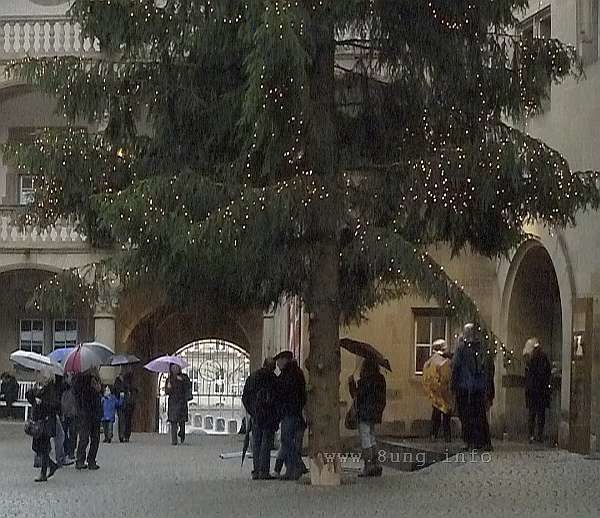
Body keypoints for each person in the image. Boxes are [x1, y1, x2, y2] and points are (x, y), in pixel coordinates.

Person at [451, 324, 494, 451]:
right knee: (480, 415)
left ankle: (470, 441)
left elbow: (455, 367)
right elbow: (489, 368)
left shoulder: (462, 348)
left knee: (466, 415)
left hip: (465, 387)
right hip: (479, 387)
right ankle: (483, 442)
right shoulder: (482, 349)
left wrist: (453, 386)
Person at [348, 358, 387, 477]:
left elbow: (356, 395)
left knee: (365, 439)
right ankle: (377, 464)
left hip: (364, 412)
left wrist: (351, 383)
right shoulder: (381, 379)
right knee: (372, 437)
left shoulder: (364, 381)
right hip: (375, 412)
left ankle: (368, 465)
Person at [242, 358, 279, 480]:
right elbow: (278, 398)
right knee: (266, 444)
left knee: (256, 443)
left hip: (256, 415)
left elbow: (245, 397)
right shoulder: (273, 379)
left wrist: (251, 411)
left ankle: (257, 470)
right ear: (273, 367)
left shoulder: (253, 377)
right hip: (269, 415)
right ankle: (264, 471)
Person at [274, 351, 307, 481]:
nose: (277, 364)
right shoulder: (295, 373)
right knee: (291, 442)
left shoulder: (289, 375)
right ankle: (291, 470)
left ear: (285, 360)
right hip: (294, 411)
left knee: (287, 440)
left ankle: (297, 466)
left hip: (290, 412)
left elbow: (285, 393)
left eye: (279, 361)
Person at [25, 368, 59, 482]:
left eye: (43, 376)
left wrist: (42, 402)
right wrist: (33, 390)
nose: (41, 378)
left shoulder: (51, 389)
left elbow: (54, 406)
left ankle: (43, 473)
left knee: (43, 448)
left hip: (46, 422)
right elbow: (30, 398)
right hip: (38, 422)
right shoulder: (38, 387)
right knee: (36, 447)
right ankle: (52, 465)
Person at [422, 339, 453, 443]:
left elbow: (425, 378)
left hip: (433, 392)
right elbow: (446, 378)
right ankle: (447, 436)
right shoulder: (444, 363)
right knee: (446, 415)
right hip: (443, 391)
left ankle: (433, 434)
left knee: (435, 414)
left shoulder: (428, 363)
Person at [74, 368, 102, 470]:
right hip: (86, 412)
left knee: (95, 438)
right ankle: (80, 460)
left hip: (95, 412)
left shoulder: (96, 378)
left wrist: (97, 384)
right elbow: (78, 392)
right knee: (84, 437)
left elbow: (100, 391)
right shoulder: (82, 379)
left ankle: (91, 460)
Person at [525, 339, 552, 443]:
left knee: (532, 414)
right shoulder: (543, 359)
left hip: (533, 391)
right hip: (541, 391)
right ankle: (539, 435)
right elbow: (547, 372)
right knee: (541, 414)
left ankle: (531, 435)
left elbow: (528, 376)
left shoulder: (531, 359)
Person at [165, 363, 192, 445]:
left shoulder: (184, 377)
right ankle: (174, 440)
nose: (174, 369)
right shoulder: (169, 379)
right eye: (173, 368)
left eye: (176, 367)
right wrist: (168, 387)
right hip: (173, 402)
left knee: (182, 421)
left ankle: (182, 433)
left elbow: (188, 387)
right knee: (173, 421)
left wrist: (182, 381)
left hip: (182, 401)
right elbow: (167, 392)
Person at [114, 370, 137, 443]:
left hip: (129, 403)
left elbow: (135, 389)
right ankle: (122, 436)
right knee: (122, 419)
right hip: (121, 403)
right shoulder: (118, 381)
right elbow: (115, 390)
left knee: (127, 420)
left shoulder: (130, 380)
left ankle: (126, 435)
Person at [61, 375, 79, 462]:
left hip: (73, 410)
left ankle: (71, 451)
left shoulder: (77, 381)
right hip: (65, 407)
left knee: (73, 432)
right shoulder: (63, 379)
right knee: (64, 431)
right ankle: (67, 449)